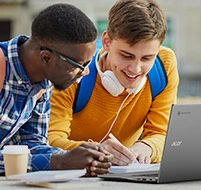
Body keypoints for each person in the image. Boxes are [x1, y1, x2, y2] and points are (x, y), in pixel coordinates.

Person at [49, 0, 179, 166]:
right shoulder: (75, 67)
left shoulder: (164, 64)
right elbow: (50, 140)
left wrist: (146, 147)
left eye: (147, 58)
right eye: (126, 56)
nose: (135, 69)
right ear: (107, 41)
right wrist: (98, 151)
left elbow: (163, 133)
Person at [0, 3, 113, 176]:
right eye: (80, 65)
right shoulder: (2, 66)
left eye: (88, 63)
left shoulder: (42, 83)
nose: (86, 72)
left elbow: (32, 144)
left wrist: (80, 159)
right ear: (46, 58)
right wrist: (60, 162)